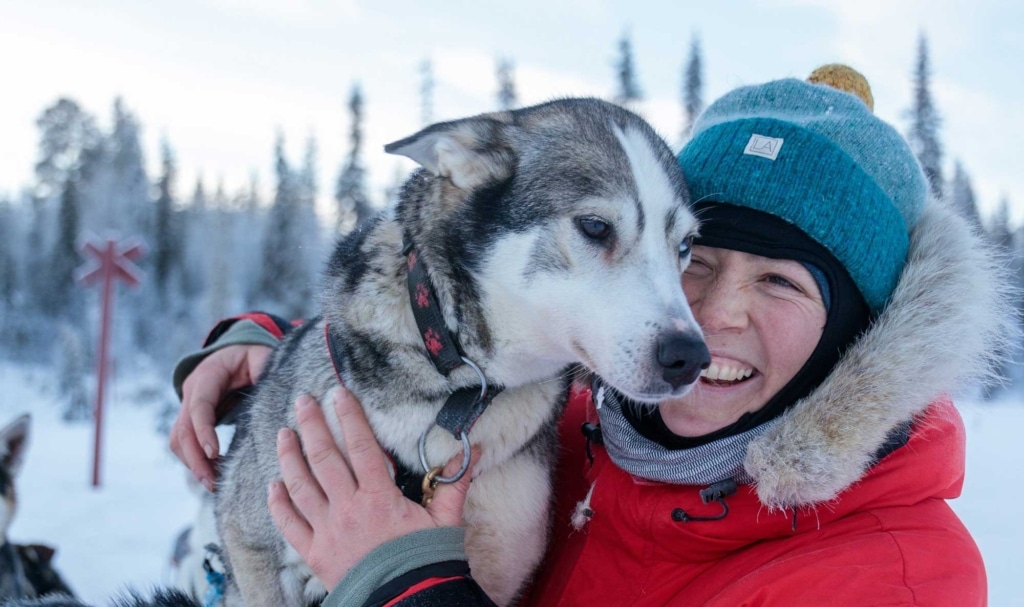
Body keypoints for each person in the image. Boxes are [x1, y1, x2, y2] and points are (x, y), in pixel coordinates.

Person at [170, 65, 1009, 606]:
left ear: (857, 329)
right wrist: (271, 347)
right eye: (693, 257)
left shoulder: (901, 575)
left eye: (780, 281)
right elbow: (479, 322)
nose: (705, 317)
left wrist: (406, 588)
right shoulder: (574, 415)